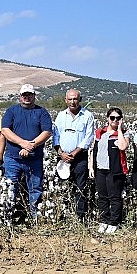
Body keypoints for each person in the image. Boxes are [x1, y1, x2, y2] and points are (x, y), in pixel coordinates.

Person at [1, 84, 52, 221]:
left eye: (30, 95)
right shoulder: (11, 111)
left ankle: (35, 218)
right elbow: (5, 130)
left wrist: (31, 146)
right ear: (20, 97)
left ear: (34, 96)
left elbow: (47, 132)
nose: (27, 97)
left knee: (35, 189)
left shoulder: (42, 112)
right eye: (24, 95)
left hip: (34, 158)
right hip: (13, 158)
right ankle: (7, 218)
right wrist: (22, 143)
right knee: (10, 188)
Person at [52, 89, 95, 221]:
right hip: (62, 158)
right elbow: (56, 136)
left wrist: (74, 153)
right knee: (63, 186)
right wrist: (61, 153)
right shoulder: (60, 116)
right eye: (70, 99)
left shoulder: (88, 116)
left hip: (80, 157)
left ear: (80, 100)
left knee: (80, 187)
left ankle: (79, 217)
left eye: (75, 99)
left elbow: (88, 138)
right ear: (66, 100)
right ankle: (63, 215)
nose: (72, 102)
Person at [90, 107, 131, 234]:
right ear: (107, 118)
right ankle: (104, 220)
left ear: (121, 119)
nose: (115, 120)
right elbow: (93, 151)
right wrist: (91, 167)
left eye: (118, 118)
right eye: (112, 118)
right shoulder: (99, 133)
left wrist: (119, 130)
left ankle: (114, 222)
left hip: (115, 170)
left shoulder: (124, 133)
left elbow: (123, 146)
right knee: (102, 196)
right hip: (100, 169)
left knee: (115, 197)